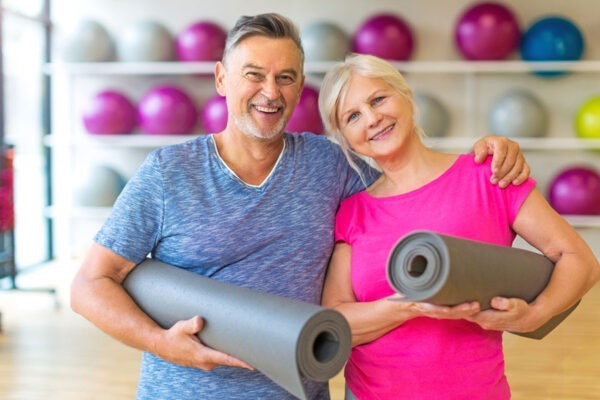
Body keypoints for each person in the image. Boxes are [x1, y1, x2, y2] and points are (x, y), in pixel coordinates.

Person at [70, 13, 531, 400]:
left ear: (298, 89)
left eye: (285, 78)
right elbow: (91, 283)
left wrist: (484, 155)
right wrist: (162, 344)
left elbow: (411, 190)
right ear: (221, 79)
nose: (270, 91)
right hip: (188, 388)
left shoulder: (329, 163)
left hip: (300, 387)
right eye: (254, 74)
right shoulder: (169, 173)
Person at [318, 53, 600, 400]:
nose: (373, 118)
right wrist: (410, 305)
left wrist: (534, 316)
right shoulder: (352, 211)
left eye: (378, 99)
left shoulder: (488, 175)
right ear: (345, 136)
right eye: (353, 116)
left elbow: (579, 259)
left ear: (406, 97)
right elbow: (335, 319)